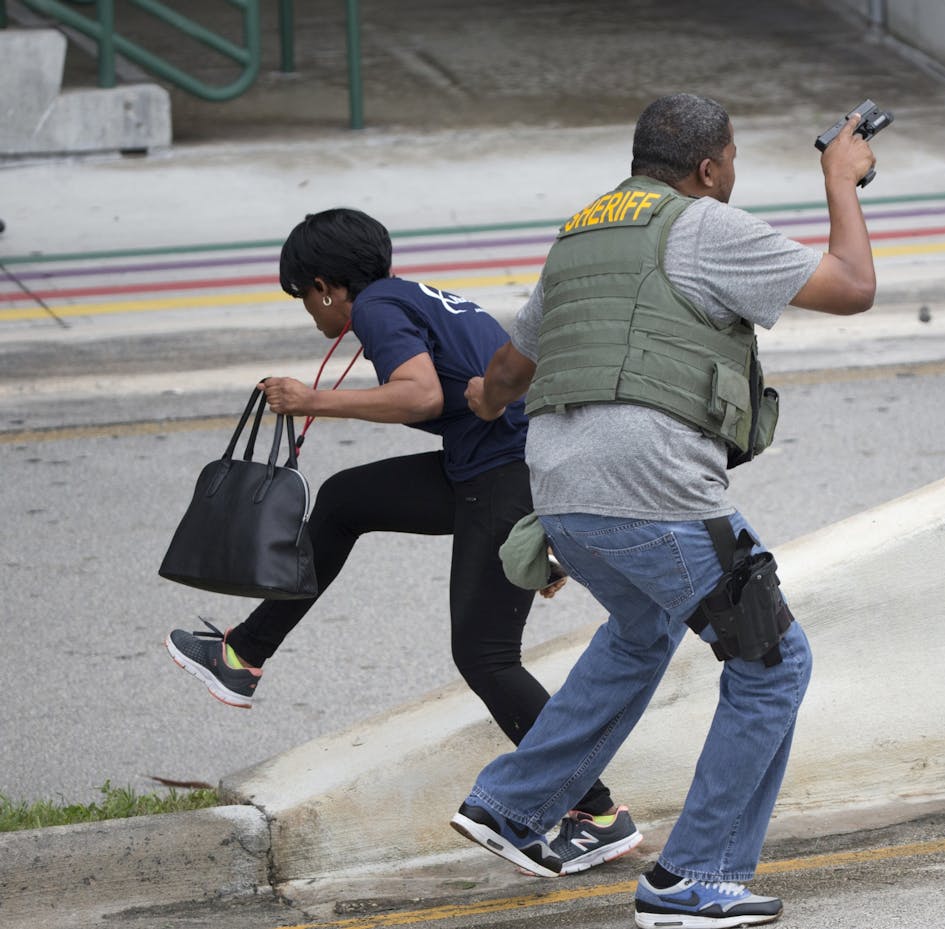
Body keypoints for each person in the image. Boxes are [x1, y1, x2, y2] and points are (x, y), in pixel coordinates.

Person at [454, 94, 876, 928]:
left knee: (641, 629)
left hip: (565, 495)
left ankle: (512, 802)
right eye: (732, 163)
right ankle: (693, 876)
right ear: (709, 167)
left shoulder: (581, 233)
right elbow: (853, 285)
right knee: (772, 663)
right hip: (653, 491)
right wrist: (842, 178)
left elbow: (511, 364)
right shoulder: (706, 225)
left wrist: (481, 396)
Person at [164, 208, 642, 874]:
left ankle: (595, 811)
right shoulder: (410, 297)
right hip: (493, 465)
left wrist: (311, 401)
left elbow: (416, 394)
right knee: (345, 500)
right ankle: (242, 654)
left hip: (504, 475)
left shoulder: (380, 309)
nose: (309, 312)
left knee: (485, 654)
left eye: (305, 296)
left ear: (328, 286)